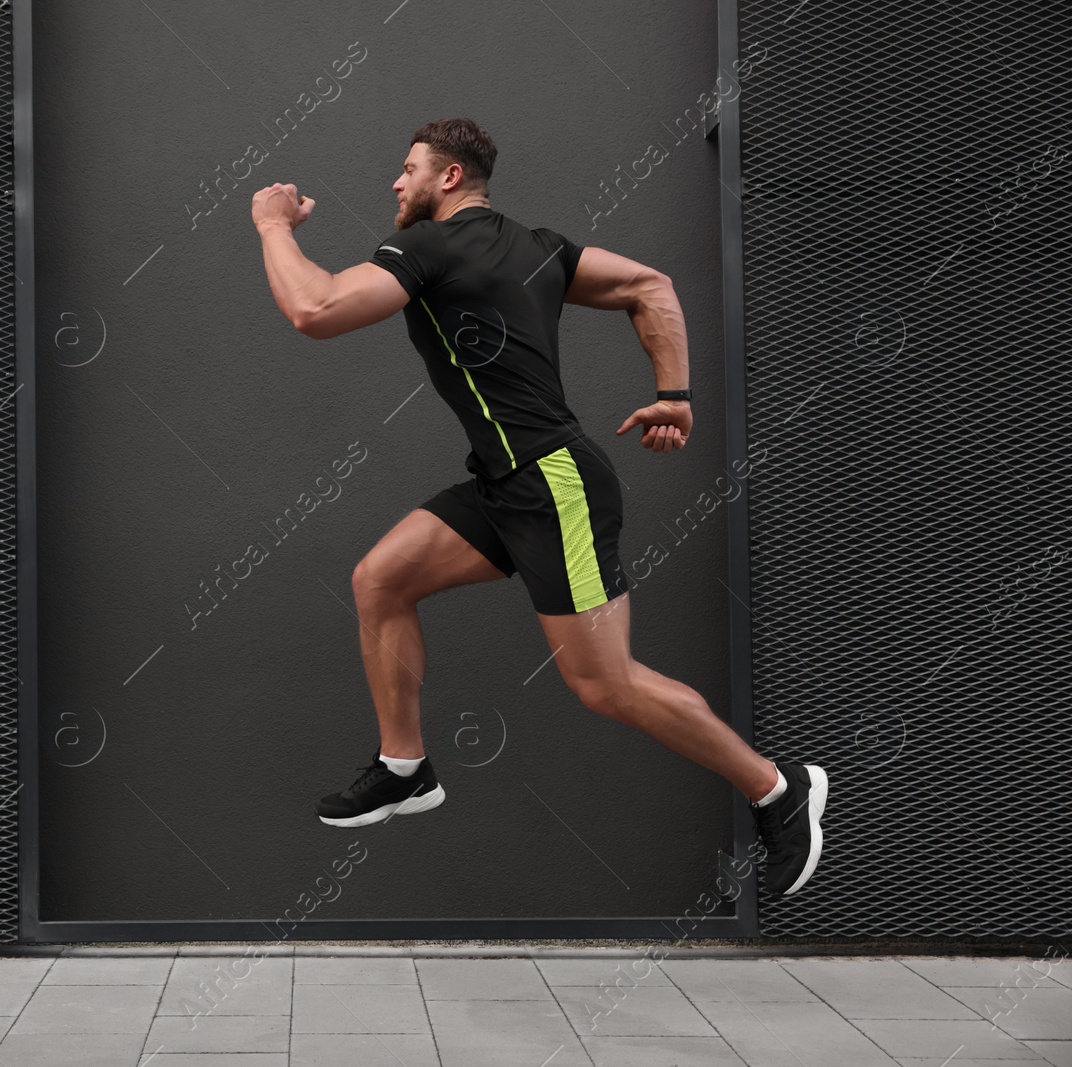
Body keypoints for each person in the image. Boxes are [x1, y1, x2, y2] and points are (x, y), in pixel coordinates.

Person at [250, 117, 828, 896]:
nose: (396, 182)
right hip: (506, 481)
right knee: (380, 578)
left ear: (448, 178)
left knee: (606, 684)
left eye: (408, 168)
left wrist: (271, 223)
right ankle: (405, 767)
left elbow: (313, 309)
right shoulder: (540, 246)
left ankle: (778, 790)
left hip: (553, 485)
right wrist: (674, 395)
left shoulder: (429, 247)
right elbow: (646, 285)